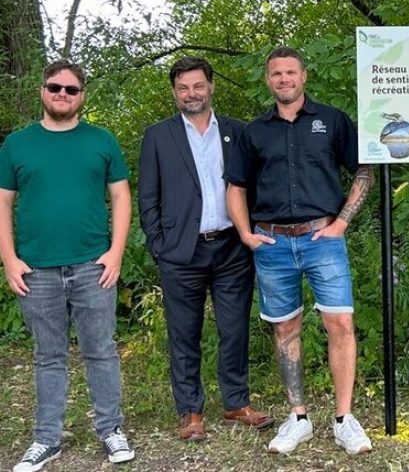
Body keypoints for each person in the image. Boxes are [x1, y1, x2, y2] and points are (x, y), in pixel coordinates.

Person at [226, 46, 375, 455]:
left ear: (304, 76)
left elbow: (364, 168)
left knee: (340, 324)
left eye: (291, 72)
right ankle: (299, 418)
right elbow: (235, 186)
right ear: (268, 80)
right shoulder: (254, 132)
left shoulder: (332, 121)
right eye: (276, 74)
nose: (284, 79)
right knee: (285, 328)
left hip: (321, 239)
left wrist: (342, 221)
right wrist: (245, 233)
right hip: (271, 244)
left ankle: (344, 419)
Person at [0, 60, 136, 471]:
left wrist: (116, 252)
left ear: (82, 96)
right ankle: (47, 439)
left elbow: (122, 197)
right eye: (55, 87)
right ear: (43, 90)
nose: (62, 94)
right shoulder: (17, 145)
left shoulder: (101, 140)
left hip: (93, 266)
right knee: (48, 356)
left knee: (101, 352)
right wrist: (8, 258)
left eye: (71, 89)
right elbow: (3, 202)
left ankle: (111, 430)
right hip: (36, 269)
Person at [138, 56, 275, 442]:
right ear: (174, 92)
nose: (191, 94)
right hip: (181, 252)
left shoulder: (238, 132)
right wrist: (161, 247)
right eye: (183, 88)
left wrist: (252, 231)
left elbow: (255, 187)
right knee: (184, 334)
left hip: (232, 247)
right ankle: (191, 411)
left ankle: (236, 403)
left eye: (197, 86)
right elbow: (148, 198)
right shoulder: (158, 136)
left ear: (211, 86)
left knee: (234, 329)